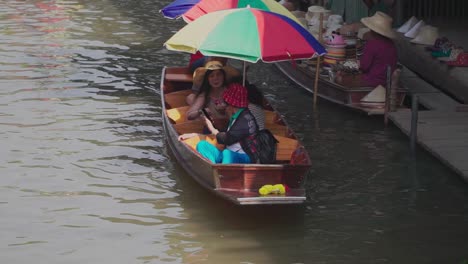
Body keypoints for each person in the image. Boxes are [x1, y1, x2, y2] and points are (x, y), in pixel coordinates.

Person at [195, 83, 258, 164]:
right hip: (230, 153)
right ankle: (213, 167)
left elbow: (226, 139)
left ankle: (219, 171)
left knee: (227, 154)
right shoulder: (236, 115)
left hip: (244, 157)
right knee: (202, 145)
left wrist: (211, 127)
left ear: (230, 104)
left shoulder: (245, 119)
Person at [335, 12, 397, 88]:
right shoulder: (391, 44)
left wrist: (348, 66)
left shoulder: (373, 44)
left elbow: (364, 66)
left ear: (373, 30)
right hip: (388, 81)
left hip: (372, 82)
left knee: (340, 77)